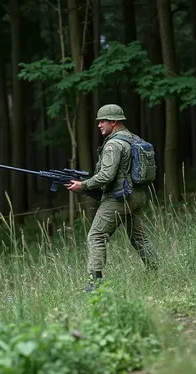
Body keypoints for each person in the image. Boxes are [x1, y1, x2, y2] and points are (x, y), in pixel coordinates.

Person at [65, 104, 158, 292]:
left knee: (96, 235)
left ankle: (95, 284)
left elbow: (107, 175)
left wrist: (83, 185)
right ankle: (156, 272)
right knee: (139, 238)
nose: (99, 125)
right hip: (138, 195)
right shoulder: (133, 138)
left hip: (120, 198)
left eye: (103, 121)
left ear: (113, 122)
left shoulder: (113, 144)